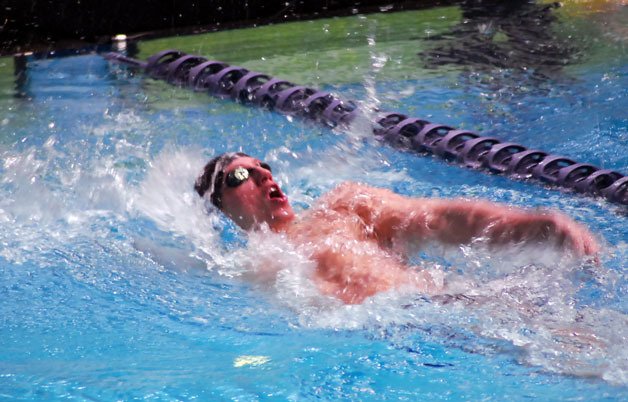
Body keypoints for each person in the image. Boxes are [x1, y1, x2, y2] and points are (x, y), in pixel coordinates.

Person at [194, 152, 600, 304]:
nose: (265, 175)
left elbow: (435, 218)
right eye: (242, 174)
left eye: (265, 166)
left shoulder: (341, 206)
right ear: (221, 206)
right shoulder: (235, 266)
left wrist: (530, 225)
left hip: (453, 308)